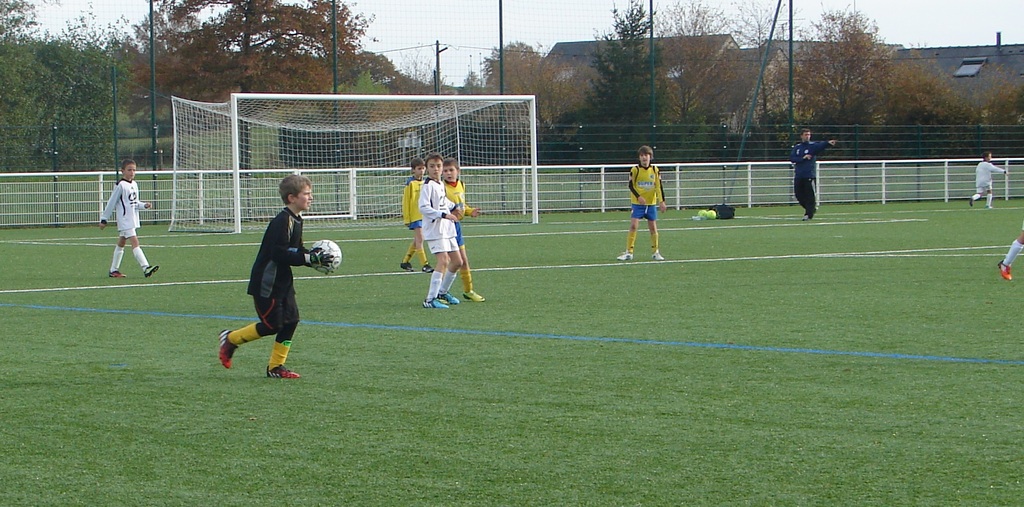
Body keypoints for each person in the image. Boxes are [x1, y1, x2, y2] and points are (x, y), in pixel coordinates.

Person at [218, 174, 336, 378]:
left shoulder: (296, 219)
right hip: (267, 281)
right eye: (306, 194)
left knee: (291, 320)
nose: (311, 197)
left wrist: (313, 258)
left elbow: (295, 250)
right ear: (292, 198)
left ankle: (276, 367)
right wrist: (308, 258)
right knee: (272, 325)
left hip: (283, 280)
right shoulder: (281, 221)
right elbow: (279, 253)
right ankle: (231, 339)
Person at [99, 159, 159, 278]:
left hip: (133, 219)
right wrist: (104, 219)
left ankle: (113, 270)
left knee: (121, 242)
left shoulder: (134, 184)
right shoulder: (120, 185)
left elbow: (134, 203)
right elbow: (111, 202)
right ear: (123, 171)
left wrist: (144, 205)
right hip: (125, 220)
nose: (132, 172)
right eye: (129, 170)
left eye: (134, 170)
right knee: (135, 241)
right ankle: (145, 267)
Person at [418, 153, 463, 309]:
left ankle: (442, 292)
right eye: (432, 166)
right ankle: (430, 299)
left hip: (446, 229)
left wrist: (455, 207)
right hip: (435, 229)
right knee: (443, 261)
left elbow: (443, 201)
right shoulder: (427, 186)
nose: (436, 169)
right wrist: (443, 215)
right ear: (427, 169)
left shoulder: (439, 184)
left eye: (438, 166)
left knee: (457, 262)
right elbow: (423, 207)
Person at [442, 157, 486, 302]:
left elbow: (461, 205)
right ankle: (439, 293)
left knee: (463, 260)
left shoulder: (461, 184)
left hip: (456, 227)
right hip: (445, 227)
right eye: (445, 171)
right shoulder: (441, 187)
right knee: (446, 261)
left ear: (458, 171)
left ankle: (468, 291)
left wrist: (469, 211)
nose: (448, 173)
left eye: (451, 170)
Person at [617, 145, 666, 261]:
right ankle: (629, 252)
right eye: (642, 155)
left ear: (650, 157)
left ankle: (655, 252)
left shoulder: (655, 170)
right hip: (637, 204)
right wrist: (638, 197)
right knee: (633, 226)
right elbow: (631, 185)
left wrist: (661, 201)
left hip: (651, 204)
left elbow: (659, 186)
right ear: (639, 157)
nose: (644, 158)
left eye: (646, 155)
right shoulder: (635, 170)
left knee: (653, 227)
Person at [789, 128, 837, 221]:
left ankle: (808, 214)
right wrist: (803, 158)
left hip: (809, 175)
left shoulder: (812, 146)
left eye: (809, 135)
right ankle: (811, 209)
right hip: (799, 175)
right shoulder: (797, 147)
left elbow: (820, 145)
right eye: (806, 135)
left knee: (810, 195)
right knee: (798, 195)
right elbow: (792, 158)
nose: (807, 136)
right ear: (801, 136)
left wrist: (828, 143)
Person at [399, 157, 434, 273]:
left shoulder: (426, 183)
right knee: (420, 239)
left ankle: (405, 261)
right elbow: (406, 201)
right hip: (415, 216)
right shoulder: (410, 183)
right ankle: (425, 264)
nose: (422, 171)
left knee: (417, 240)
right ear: (413, 170)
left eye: (423, 168)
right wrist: (407, 218)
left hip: (424, 216)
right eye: (419, 169)